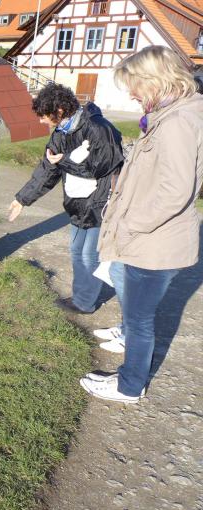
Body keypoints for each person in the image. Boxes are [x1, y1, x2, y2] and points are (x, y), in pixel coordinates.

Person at [80, 46, 203, 403]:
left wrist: (130, 223)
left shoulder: (178, 123)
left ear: (155, 80)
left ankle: (129, 386)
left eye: (134, 85)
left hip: (154, 242)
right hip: (153, 239)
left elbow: (174, 191)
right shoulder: (174, 114)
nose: (132, 94)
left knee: (139, 319)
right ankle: (130, 376)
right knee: (138, 316)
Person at [8, 84, 124, 314]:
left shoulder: (98, 128)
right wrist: (22, 199)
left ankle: (85, 303)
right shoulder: (60, 133)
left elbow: (103, 166)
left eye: (44, 115)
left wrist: (65, 161)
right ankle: (81, 297)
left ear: (59, 110)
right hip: (77, 204)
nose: (41, 120)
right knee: (76, 251)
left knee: (89, 255)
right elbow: (48, 169)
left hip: (101, 204)